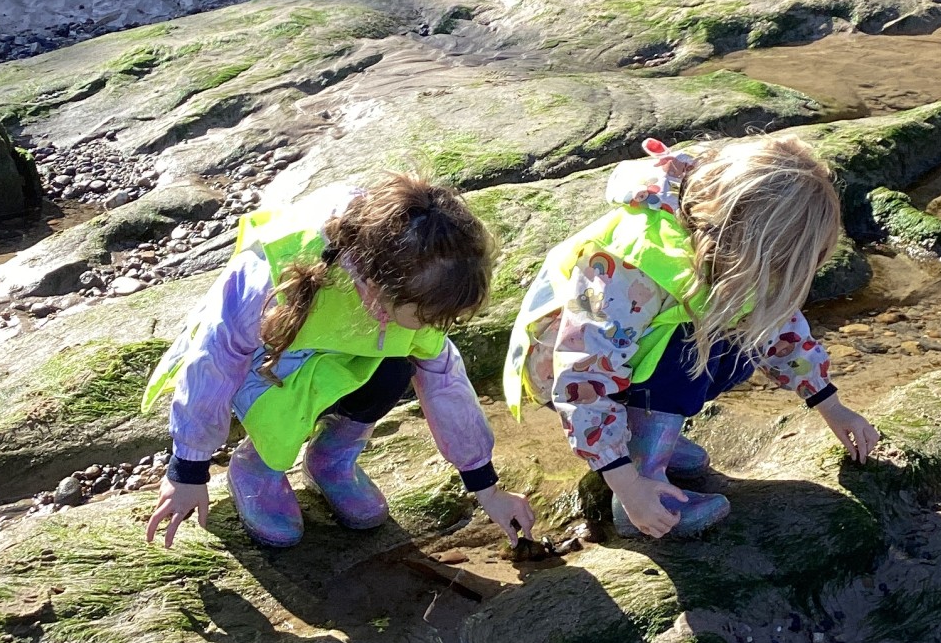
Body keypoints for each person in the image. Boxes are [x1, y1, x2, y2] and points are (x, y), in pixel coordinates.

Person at [504, 136, 878, 539]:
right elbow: (581, 379)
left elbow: (776, 325)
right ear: (744, 240)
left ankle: (641, 438)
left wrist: (829, 402)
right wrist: (626, 484)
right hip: (559, 367)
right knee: (689, 348)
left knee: (741, 330)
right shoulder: (634, 265)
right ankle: (643, 485)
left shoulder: (723, 242)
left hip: (627, 356)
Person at [143, 173, 536, 549]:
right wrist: (188, 469)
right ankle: (258, 465)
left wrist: (486, 486)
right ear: (375, 290)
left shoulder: (419, 288)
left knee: (395, 369)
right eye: (429, 317)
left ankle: (331, 461)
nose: (437, 327)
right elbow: (214, 358)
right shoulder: (275, 274)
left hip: (346, 344)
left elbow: (445, 383)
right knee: (283, 389)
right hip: (268, 355)